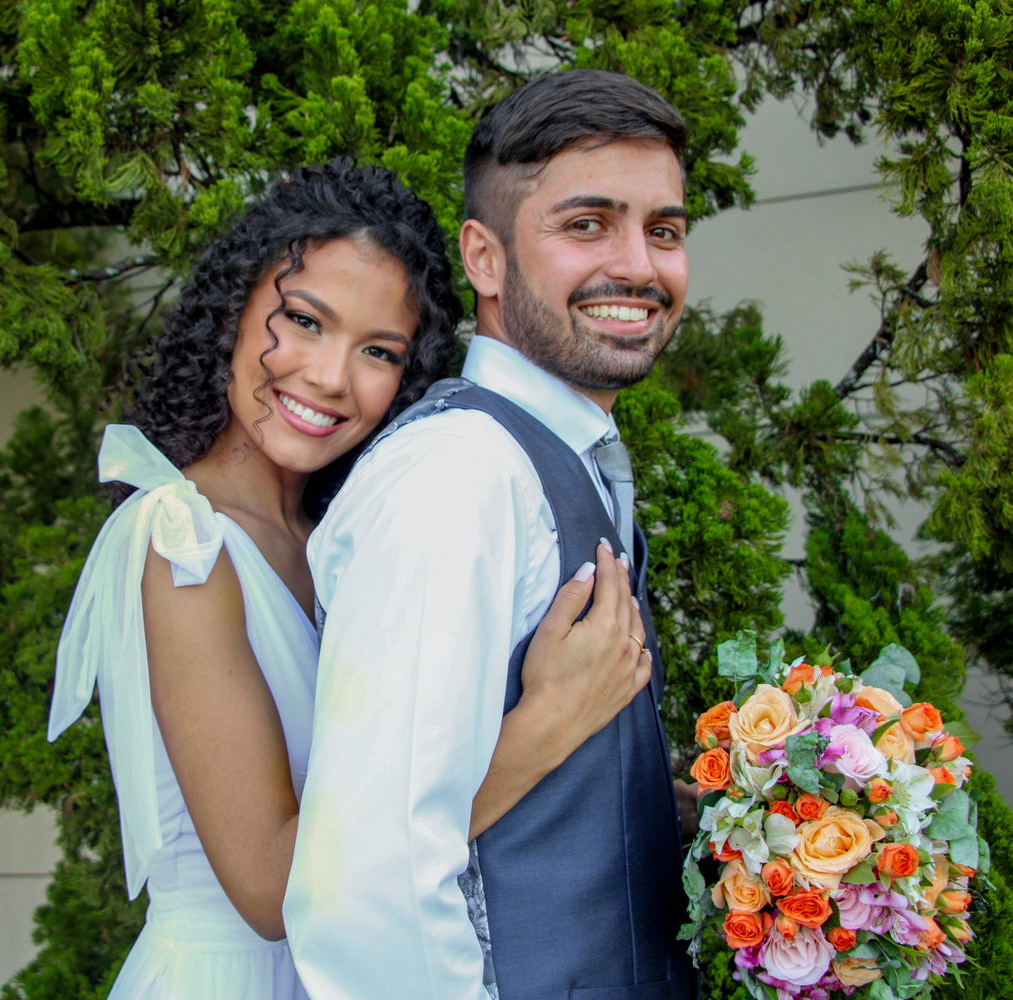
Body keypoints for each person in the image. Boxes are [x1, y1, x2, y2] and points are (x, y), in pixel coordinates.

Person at [47, 160, 655, 1000]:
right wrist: (543, 728)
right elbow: (267, 889)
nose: (331, 378)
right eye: (303, 320)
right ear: (234, 311)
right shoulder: (180, 544)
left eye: (377, 351)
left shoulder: (335, 536)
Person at [284, 71, 701, 1000]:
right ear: (484, 256)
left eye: (663, 230)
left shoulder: (565, 456)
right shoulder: (459, 476)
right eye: (586, 224)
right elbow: (373, 882)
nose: (638, 265)